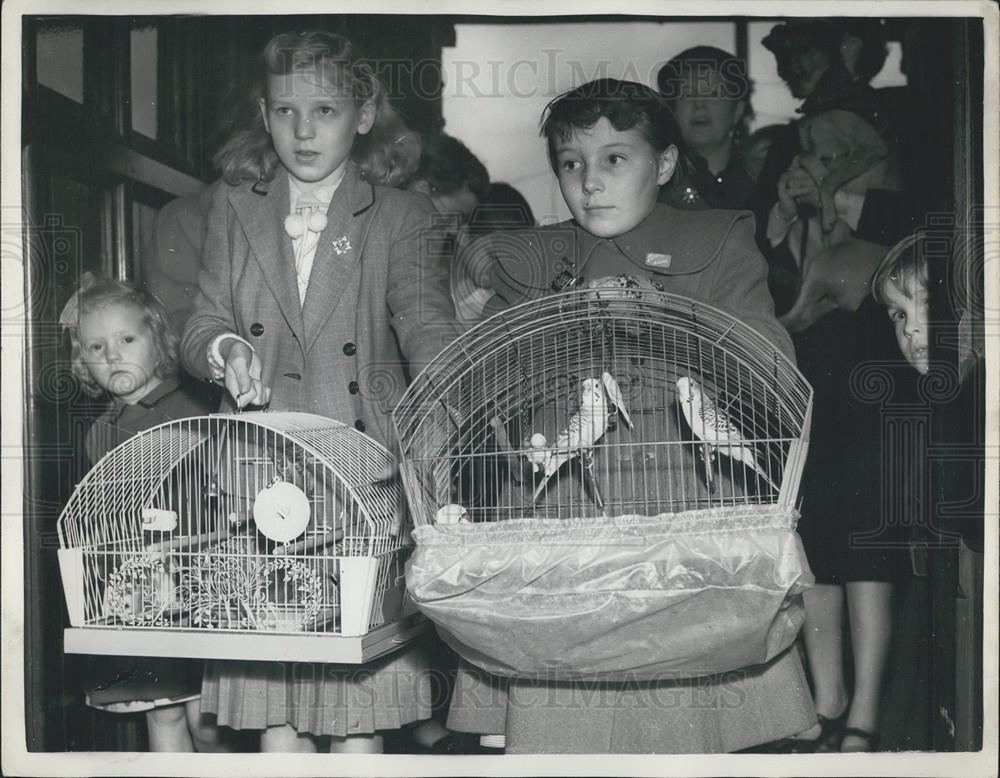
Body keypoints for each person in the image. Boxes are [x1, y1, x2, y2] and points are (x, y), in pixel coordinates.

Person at [450, 78, 811, 754]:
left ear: (666, 164)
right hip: (560, 530)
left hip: (689, 516)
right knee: (563, 734)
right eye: (571, 163)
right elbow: (479, 390)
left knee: (685, 727)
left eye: (615, 159)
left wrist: (672, 315)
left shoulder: (719, 235)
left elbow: (776, 373)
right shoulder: (528, 257)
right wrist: (559, 321)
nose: (590, 183)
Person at [180, 29, 462, 754]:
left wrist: (450, 432)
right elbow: (201, 320)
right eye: (284, 112)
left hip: (361, 479)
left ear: (364, 115)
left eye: (326, 111)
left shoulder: (402, 217)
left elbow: (428, 332)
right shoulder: (231, 206)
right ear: (262, 113)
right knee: (275, 722)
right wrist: (225, 349)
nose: (303, 132)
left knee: (358, 720)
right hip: (254, 475)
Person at [59, 273, 226, 753]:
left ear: (159, 340)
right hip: (137, 592)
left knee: (209, 720)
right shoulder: (100, 431)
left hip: (201, 582)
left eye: (126, 339)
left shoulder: (193, 407)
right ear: (83, 363)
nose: (111, 356)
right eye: (95, 347)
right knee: (162, 711)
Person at [656, 45, 757, 210]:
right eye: (687, 94)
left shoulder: (763, 181)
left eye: (713, 94)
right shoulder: (655, 187)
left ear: (737, 111)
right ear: (673, 111)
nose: (699, 104)